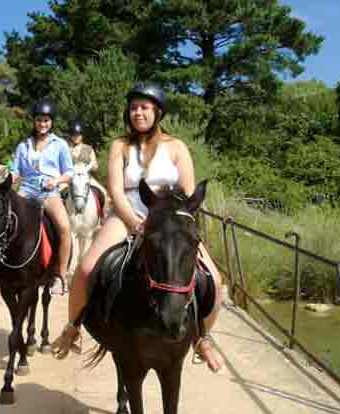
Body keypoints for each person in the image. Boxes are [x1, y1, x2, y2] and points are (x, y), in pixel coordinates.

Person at [53, 83, 225, 373]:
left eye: (144, 107)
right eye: (133, 107)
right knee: (86, 268)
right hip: (128, 214)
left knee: (215, 279)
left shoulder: (177, 147)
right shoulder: (120, 146)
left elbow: (188, 191)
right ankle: (73, 327)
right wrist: (135, 222)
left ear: (157, 111)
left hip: (169, 220)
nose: (138, 112)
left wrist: (176, 221)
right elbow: (116, 191)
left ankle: (203, 337)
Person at [9, 98, 74, 295]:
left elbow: (69, 173)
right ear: (34, 122)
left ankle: (60, 275)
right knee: (6, 220)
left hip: (49, 192)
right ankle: (2, 266)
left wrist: (56, 181)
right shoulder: (23, 146)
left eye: (46, 120)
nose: (42, 124)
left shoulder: (60, 145)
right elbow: (15, 171)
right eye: (39, 120)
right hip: (26, 190)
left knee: (64, 228)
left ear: (51, 122)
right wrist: (8, 179)